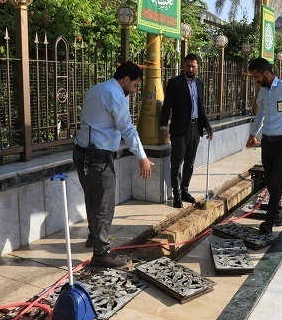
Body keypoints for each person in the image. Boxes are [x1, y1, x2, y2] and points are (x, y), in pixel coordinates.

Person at [74, 61, 154, 268]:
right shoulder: (115, 95)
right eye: (135, 85)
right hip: (98, 157)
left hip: (81, 152)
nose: (134, 90)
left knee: (92, 197)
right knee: (104, 204)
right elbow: (127, 130)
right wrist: (142, 157)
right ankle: (101, 253)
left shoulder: (97, 89)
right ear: (126, 79)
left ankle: (94, 236)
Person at [245, 57, 282, 234]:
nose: (256, 80)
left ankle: (269, 222)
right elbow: (260, 115)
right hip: (267, 143)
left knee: (277, 183)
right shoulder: (263, 92)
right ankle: (277, 215)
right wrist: (252, 134)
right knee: (270, 181)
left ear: (265, 73)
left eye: (257, 77)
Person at [160, 53, 213, 208]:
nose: (190, 68)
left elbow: (201, 107)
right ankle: (175, 194)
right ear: (183, 66)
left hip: (195, 127)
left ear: (198, 67)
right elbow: (167, 106)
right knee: (177, 162)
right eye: (188, 65)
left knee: (190, 162)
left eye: (193, 66)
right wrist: (163, 125)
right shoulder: (174, 83)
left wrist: (207, 125)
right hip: (179, 129)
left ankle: (184, 190)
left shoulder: (200, 84)